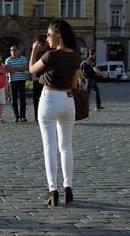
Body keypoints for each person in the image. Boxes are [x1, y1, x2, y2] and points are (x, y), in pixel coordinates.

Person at [29, 19, 81, 207]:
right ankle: (68, 188)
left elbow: (32, 71)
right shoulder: (76, 56)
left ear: (58, 34)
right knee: (66, 147)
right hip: (68, 102)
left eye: (49, 35)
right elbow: (75, 83)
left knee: (50, 147)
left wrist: (34, 51)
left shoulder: (50, 56)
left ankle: (53, 190)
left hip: (49, 99)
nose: (47, 39)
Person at [5, 46, 29, 122]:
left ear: (18, 51)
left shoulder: (23, 58)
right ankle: (16, 116)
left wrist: (14, 67)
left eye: (14, 50)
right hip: (12, 81)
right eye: (11, 50)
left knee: (22, 99)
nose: (13, 51)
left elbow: (25, 67)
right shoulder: (8, 60)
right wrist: (20, 67)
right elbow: (8, 70)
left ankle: (23, 116)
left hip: (21, 80)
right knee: (14, 100)